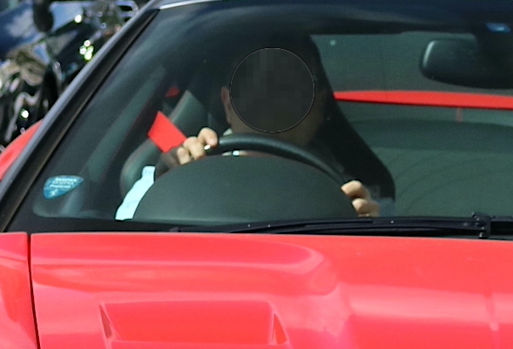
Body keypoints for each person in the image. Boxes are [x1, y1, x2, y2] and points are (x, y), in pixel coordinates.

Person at [143, 38, 389, 218]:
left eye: (293, 91)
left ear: (319, 106)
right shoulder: (180, 168)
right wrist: (172, 185)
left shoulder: (354, 192)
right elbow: (126, 237)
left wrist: (367, 231)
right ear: (228, 103)